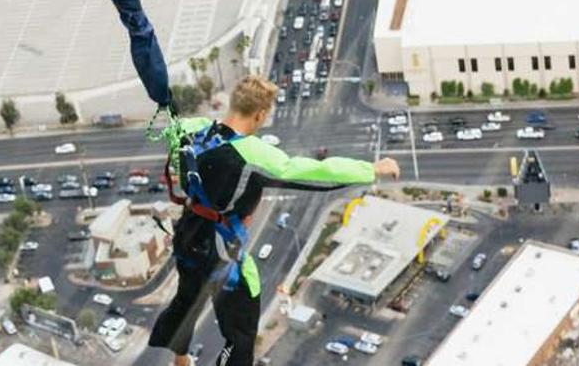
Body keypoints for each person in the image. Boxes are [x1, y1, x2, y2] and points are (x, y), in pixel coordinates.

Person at [148, 76, 399, 366]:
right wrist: (371, 169)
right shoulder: (253, 154)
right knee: (239, 337)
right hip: (221, 253)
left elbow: (174, 139)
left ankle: (180, 359)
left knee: (186, 300)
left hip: (189, 237)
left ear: (233, 103)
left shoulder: (194, 130)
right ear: (260, 115)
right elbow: (314, 173)